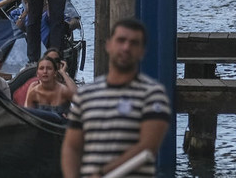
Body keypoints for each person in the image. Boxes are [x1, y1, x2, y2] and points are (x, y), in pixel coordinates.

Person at [61, 18, 171, 178]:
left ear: (142, 51)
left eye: (134, 43)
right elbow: (71, 146)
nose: (126, 47)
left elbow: (148, 146)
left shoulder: (153, 95)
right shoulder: (86, 95)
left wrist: (101, 172)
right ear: (108, 45)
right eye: (121, 40)